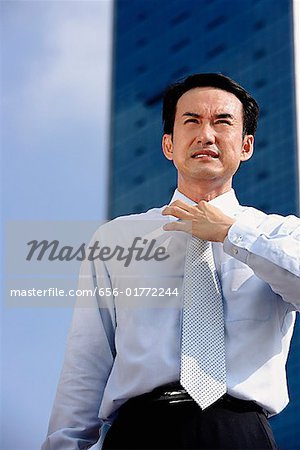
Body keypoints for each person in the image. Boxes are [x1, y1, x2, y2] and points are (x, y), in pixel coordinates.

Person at [42, 73, 300, 450]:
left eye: (222, 122)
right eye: (191, 121)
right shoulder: (116, 239)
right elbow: (86, 365)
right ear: (169, 144)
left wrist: (233, 233)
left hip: (242, 433)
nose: (206, 135)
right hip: (140, 431)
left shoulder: (280, 234)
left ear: (246, 146)